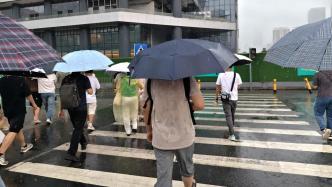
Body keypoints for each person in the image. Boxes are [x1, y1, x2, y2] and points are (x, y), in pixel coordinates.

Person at [142, 78, 204, 187]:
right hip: (184, 136)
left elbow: (146, 108)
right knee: (187, 168)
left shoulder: (150, 80)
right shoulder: (187, 79)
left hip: (161, 137)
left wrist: (149, 130)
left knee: (163, 176)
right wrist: (187, 108)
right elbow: (200, 104)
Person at [0, 76, 39, 165]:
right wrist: (34, 105)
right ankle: (0, 155)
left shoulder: (1, 80)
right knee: (14, 130)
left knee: (17, 127)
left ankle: (24, 146)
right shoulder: (20, 80)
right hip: (18, 109)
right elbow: (28, 94)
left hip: (7, 109)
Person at [59, 72, 92, 162]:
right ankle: (71, 153)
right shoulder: (84, 78)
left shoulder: (65, 79)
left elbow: (62, 95)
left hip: (70, 107)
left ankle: (83, 141)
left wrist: (61, 109)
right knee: (78, 129)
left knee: (77, 127)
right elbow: (90, 92)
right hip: (81, 107)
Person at [215, 67, 242, 142]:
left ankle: (232, 134)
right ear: (231, 67)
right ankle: (231, 128)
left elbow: (217, 87)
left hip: (225, 99)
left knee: (228, 116)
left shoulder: (221, 75)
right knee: (232, 115)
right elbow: (239, 85)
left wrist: (216, 98)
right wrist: (233, 90)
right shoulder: (236, 75)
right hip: (234, 98)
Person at [312, 70, 332, 140]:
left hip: (322, 96)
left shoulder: (318, 74)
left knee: (318, 114)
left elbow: (314, 86)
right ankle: (330, 132)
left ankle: (324, 129)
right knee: (330, 116)